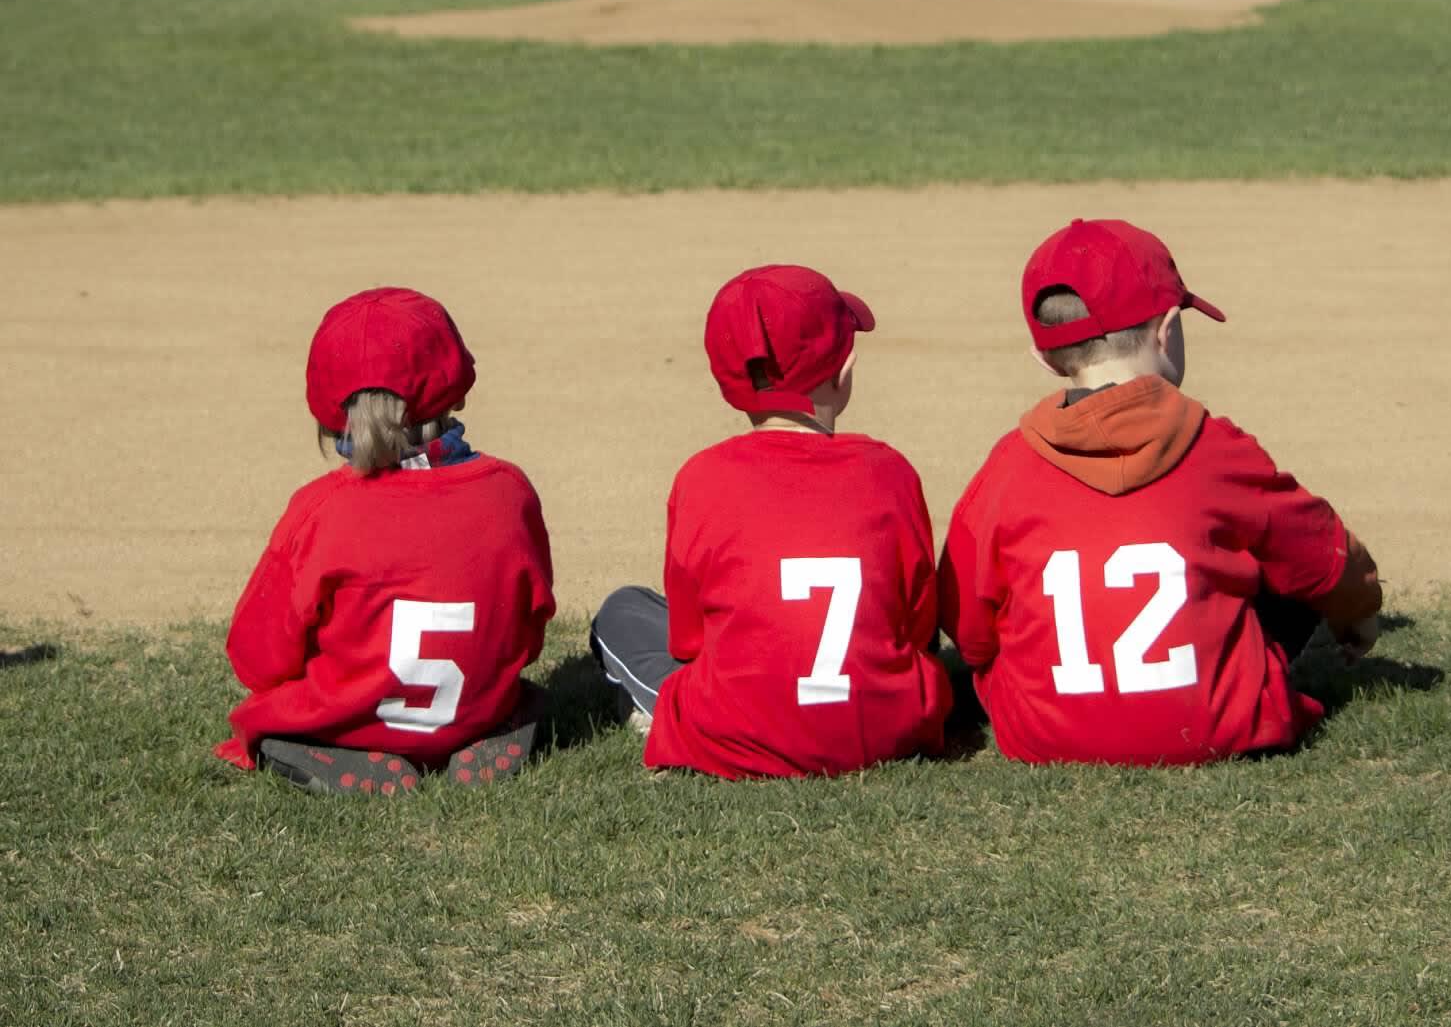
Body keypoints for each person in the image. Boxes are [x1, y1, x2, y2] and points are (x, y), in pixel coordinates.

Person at [938, 219, 1381, 766]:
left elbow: (969, 632)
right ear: (1168, 329)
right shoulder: (1218, 449)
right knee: (1280, 551)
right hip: (1221, 729)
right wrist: (1359, 610)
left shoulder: (1007, 466)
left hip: (1044, 737)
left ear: (1044, 357)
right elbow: (1327, 555)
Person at [589, 265, 952, 779]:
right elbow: (918, 631)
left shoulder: (702, 477)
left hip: (738, 735)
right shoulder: (890, 472)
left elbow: (689, 642)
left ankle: (660, 719)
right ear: (844, 371)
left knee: (621, 613)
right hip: (887, 726)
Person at [213, 287, 556, 793]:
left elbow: (256, 659)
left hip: (352, 719)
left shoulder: (320, 509)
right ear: (458, 390)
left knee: (269, 719)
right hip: (471, 707)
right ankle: (476, 740)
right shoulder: (510, 491)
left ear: (330, 411)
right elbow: (529, 632)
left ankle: (341, 750)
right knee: (533, 699)